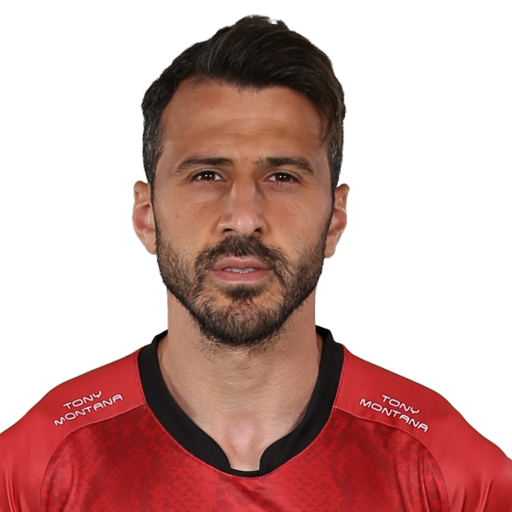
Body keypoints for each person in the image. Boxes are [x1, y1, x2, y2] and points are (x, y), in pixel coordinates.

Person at [1, 15, 511, 512]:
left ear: (335, 218)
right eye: (206, 175)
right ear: (146, 216)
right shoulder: (36, 469)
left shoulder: (451, 474)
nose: (243, 218)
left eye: (282, 177)